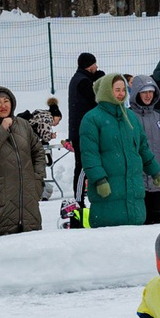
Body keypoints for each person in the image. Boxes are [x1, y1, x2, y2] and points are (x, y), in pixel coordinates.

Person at [78, 72, 156, 227]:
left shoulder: (130, 117)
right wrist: (99, 179)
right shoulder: (92, 119)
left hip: (134, 196)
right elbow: (89, 154)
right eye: (117, 90)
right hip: (108, 191)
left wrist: (153, 168)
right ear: (107, 91)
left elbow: (141, 146)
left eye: (123, 90)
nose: (121, 94)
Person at [0, 87, 47, 236]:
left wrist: (38, 178)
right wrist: (2, 128)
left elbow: (37, 151)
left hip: (27, 198)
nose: (3, 105)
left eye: (6, 101)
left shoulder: (23, 125)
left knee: (30, 245)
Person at [64, 52, 103, 208]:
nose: (97, 66)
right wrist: (100, 80)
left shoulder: (78, 79)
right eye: (95, 64)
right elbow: (96, 98)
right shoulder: (82, 82)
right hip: (83, 131)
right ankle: (78, 200)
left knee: (83, 165)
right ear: (89, 65)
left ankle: (80, 198)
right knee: (83, 166)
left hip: (79, 130)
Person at [131, 83, 160, 224]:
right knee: (140, 221)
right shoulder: (129, 116)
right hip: (137, 179)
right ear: (137, 93)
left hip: (156, 180)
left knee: (156, 219)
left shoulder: (158, 118)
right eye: (144, 92)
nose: (148, 96)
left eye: (151, 92)